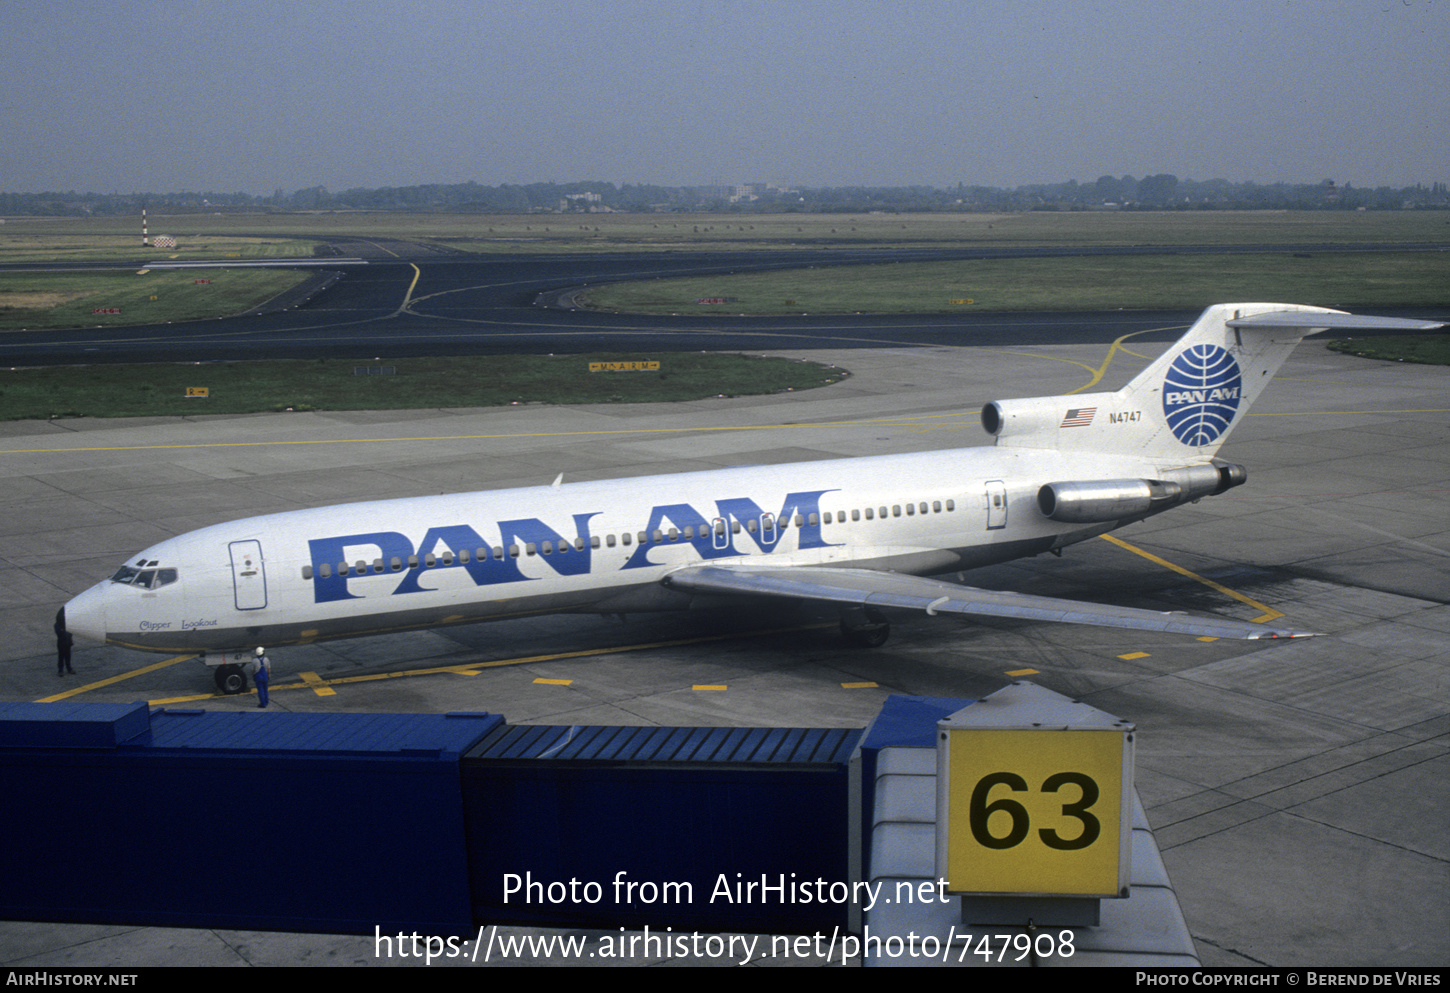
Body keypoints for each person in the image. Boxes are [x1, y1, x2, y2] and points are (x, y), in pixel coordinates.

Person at [55, 609, 74, 676]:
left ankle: (68, 668)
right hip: (62, 642)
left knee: (67, 656)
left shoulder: (64, 625)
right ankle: (61, 670)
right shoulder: (57, 625)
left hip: (66, 642)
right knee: (61, 656)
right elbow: (60, 634)